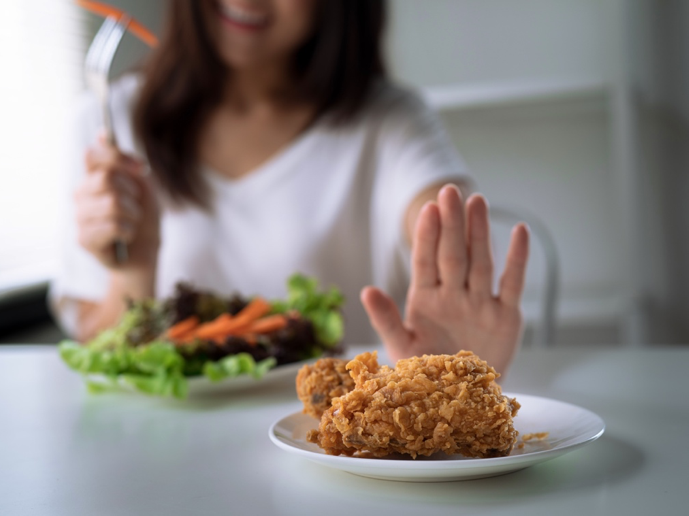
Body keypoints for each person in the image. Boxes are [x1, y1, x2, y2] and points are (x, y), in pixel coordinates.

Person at [51, 0, 529, 375]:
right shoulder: (105, 121)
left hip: (337, 454)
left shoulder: (390, 121)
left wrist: (462, 337)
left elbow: (444, 227)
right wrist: (134, 271)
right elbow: (102, 359)